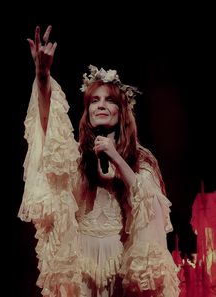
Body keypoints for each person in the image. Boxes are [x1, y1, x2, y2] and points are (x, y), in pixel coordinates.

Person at [18, 25, 180, 297]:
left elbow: (150, 203)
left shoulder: (140, 160)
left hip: (119, 265)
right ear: (88, 109)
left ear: (121, 110)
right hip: (81, 265)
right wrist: (43, 75)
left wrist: (115, 157)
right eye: (94, 100)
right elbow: (48, 130)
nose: (101, 105)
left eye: (109, 100)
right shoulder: (75, 156)